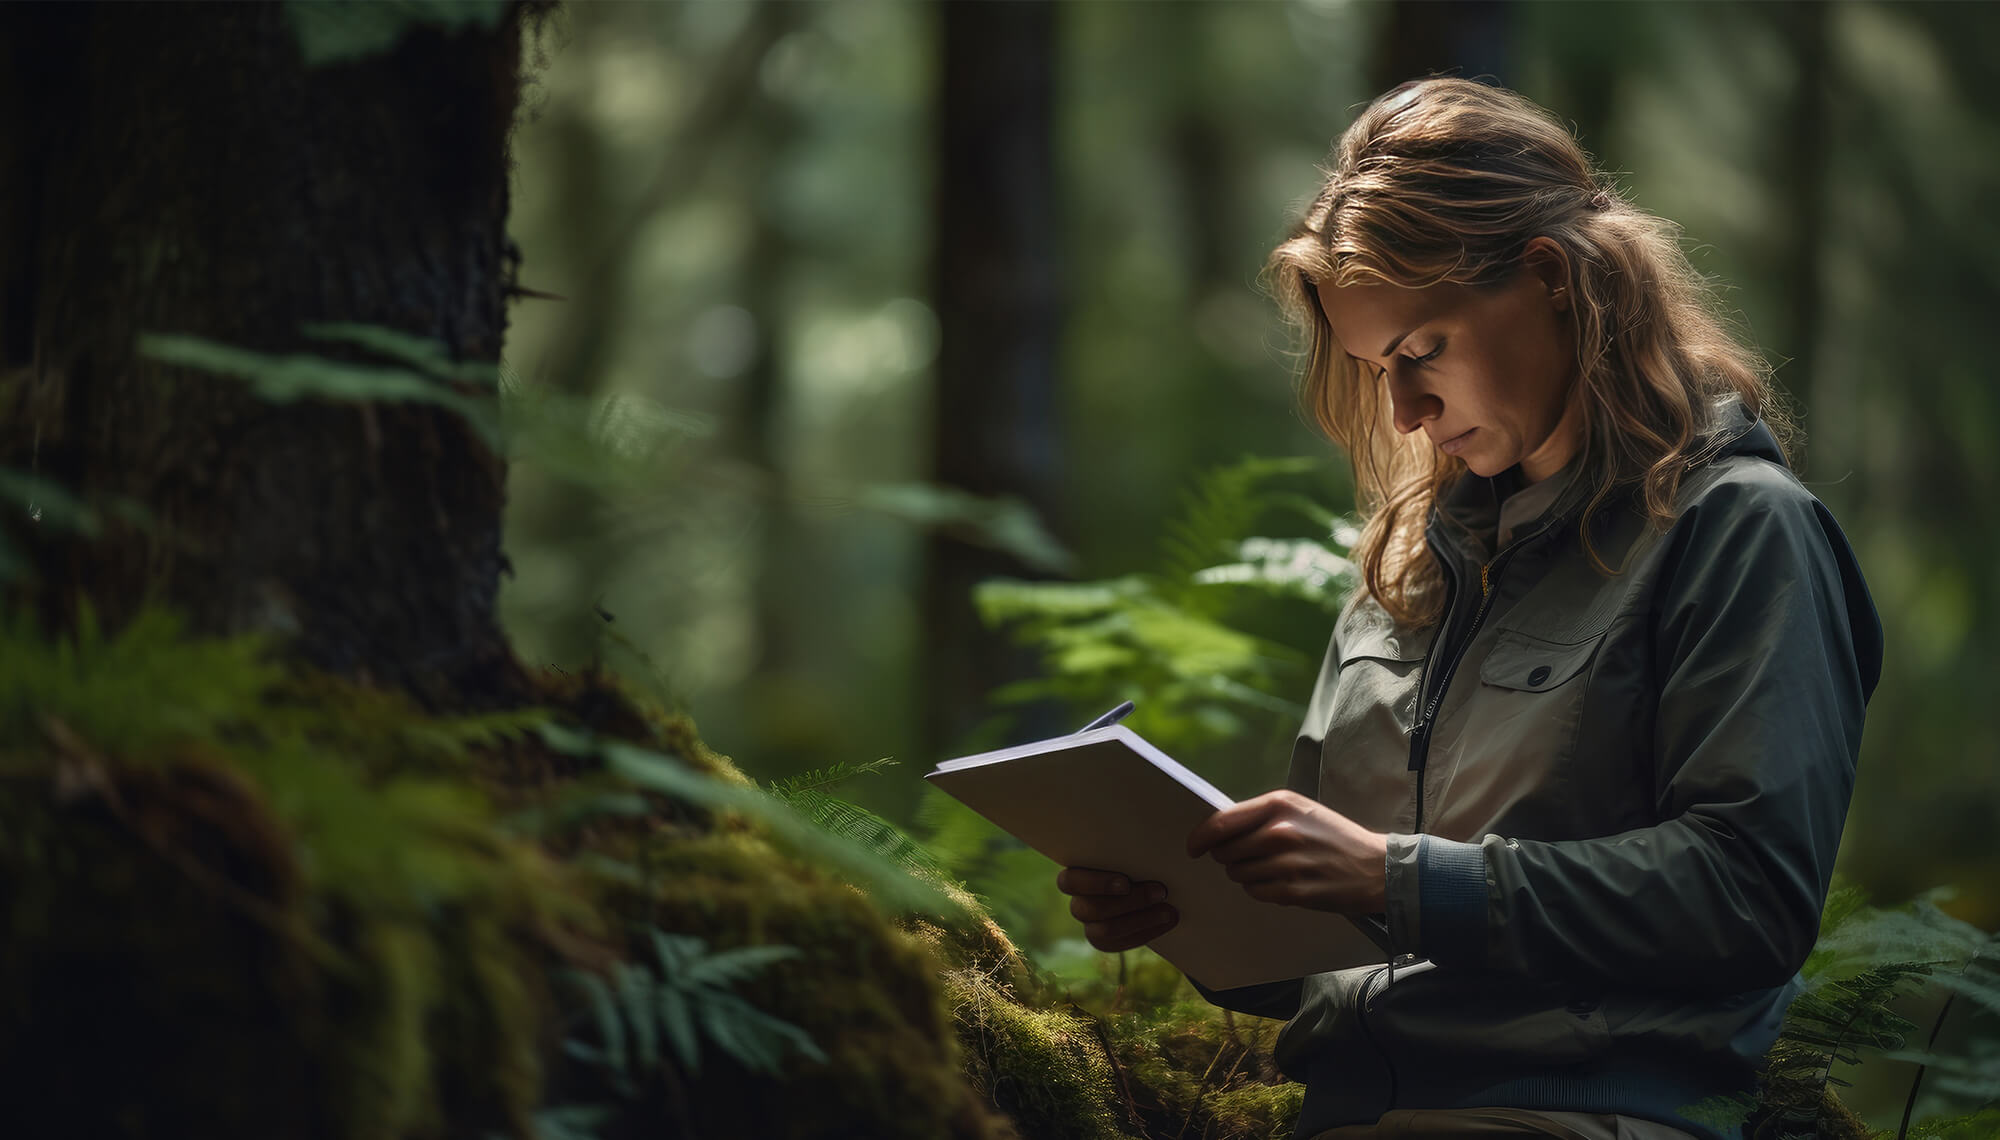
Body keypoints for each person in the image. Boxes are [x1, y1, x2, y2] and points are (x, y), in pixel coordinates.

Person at [1055, 78, 1882, 1140]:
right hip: (1339, 1116)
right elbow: (1330, 953)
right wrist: (1191, 914)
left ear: (1549, 278)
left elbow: (1747, 897)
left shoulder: (1737, 530)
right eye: (1375, 370)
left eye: (1420, 353)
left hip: (1575, 1114)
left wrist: (1396, 878)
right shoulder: (1406, 569)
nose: (1402, 411)